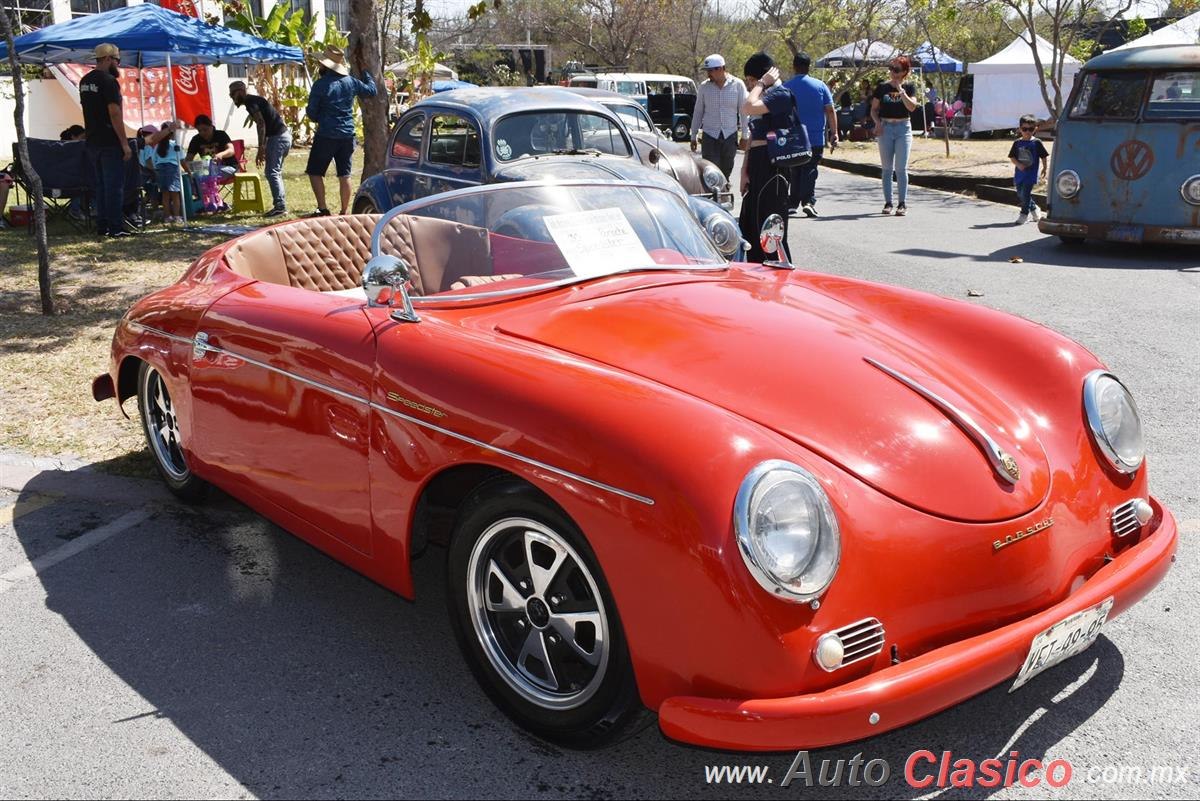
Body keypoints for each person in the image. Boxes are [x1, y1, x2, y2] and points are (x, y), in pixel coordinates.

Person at [305, 46, 377, 216]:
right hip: (347, 135)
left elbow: (312, 113)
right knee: (345, 174)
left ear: (326, 66)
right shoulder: (351, 82)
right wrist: (366, 72)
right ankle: (344, 211)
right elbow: (371, 91)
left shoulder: (320, 85)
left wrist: (318, 117)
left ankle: (322, 208)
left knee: (315, 172)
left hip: (326, 135)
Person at [738, 52, 794, 263]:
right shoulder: (766, 95)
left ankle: (779, 271)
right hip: (757, 164)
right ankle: (755, 271)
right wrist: (744, 170)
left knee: (770, 228)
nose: (751, 85)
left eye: (751, 80)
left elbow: (747, 107)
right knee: (750, 225)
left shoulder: (780, 94)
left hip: (774, 168)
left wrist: (762, 83)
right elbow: (753, 134)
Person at [79, 43, 132, 238]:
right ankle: (116, 228)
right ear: (109, 59)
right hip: (109, 141)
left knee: (100, 186)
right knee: (114, 187)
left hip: (92, 140)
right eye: (117, 60)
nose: (118, 64)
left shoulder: (84, 81)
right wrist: (125, 144)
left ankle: (102, 226)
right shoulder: (109, 81)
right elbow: (114, 112)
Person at [783, 51, 838, 218]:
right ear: (809, 67)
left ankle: (792, 203)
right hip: (815, 137)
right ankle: (807, 201)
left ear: (794, 67)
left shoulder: (786, 86)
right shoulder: (820, 86)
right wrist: (834, 133)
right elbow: (830, 110)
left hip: (793, 137)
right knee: (810, 169)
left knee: (794, 169)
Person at [230, 81, 292, 217]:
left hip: (278, 137)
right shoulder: (253, 101)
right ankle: (280, 205)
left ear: (240, 91)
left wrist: (261, 147)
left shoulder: (251, 102)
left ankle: (280, 207)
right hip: (283, 136)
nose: (231, 97)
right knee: (274, 172)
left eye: (232, 94)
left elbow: (261, 123)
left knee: (272, 172)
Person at [871, 56, 919, 216]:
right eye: (891, 68)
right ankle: (888, 202)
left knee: (901, 168)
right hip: (885, 128)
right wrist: (877, 122)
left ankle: (902, 203)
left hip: (903, 128)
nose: (892, 72)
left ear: (905, 72)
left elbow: (912, 107)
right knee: (886, 168)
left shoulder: (910, 87)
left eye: (897, 70)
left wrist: (901, 90)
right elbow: (873, 109)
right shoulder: (882, 88)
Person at [689, 54, 749, 180]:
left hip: (729, 135)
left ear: (721, 69)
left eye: (710, 71)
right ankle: (713, 197)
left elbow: (744, 112)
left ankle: (724, 194)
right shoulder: (704, 87)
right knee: (710, 170)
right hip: (710, 136)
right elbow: (698, 111)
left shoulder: (738, 85)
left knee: (727, 169)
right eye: (707, 71)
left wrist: (744, 136)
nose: (708, 74)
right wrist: (693, 135)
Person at [1009, 114, 1049, 225]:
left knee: (1025, 194)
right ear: (1020, 129)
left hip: (1030, 175)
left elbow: (1044, 156)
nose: (1027, 131)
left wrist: (1045, 168)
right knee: (1020, 194)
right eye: (1024, 129)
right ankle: (1034, 208)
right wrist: (1018, 165)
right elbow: (1012, 157)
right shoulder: (1017, 143)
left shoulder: (1036, 142)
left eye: (1030, 129)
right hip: (1019, 174)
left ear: (1035, 129)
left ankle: (1024, 214)